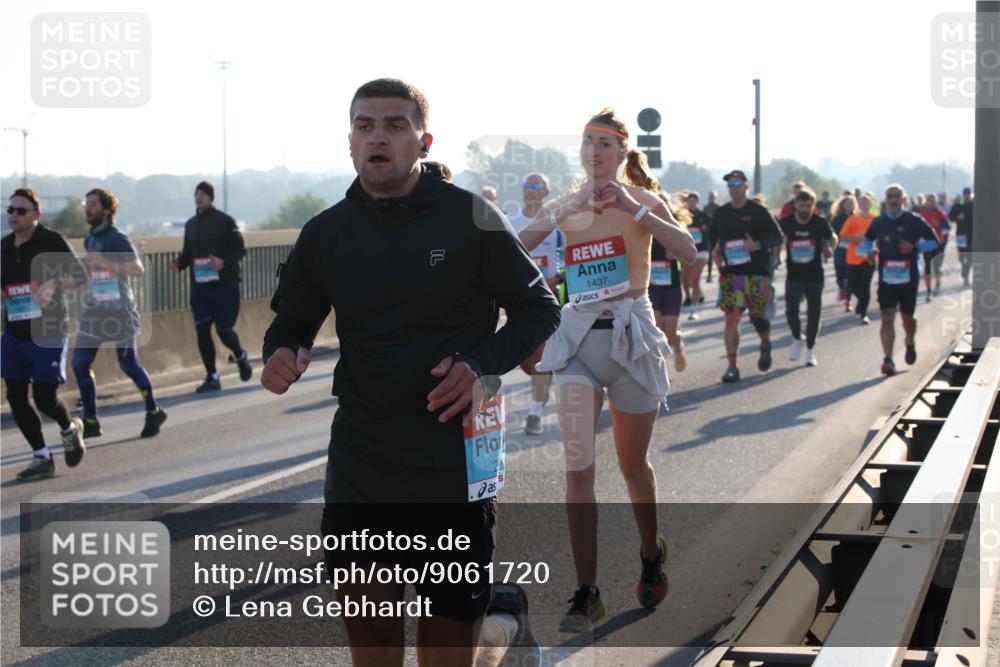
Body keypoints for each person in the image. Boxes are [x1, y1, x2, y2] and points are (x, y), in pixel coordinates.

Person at [261, 78, 560, 665]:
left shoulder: (470, 217)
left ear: (423, 141)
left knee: (445, 650)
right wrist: (283, 350)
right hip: (362, 459)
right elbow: (290, 324)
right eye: (364, 125)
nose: (378, 137)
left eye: (395, 126)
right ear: (349, 141)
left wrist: (481, 364)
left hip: (452, 460)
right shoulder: (325, 233)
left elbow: (539, 308)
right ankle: (497, 625)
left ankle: (501, 626)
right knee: (373, 645)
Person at [518, 108, 695, 633]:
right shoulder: (567, 204)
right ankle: (587, 591)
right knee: (578, 470)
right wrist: (565, 207)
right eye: (587, 142)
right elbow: (516, 247)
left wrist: (635, 211)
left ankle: (649, 552)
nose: (594, 152)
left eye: (604, 144)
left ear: (621, 153)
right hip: (576, 343)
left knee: (633, 467)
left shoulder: (644, 202)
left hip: (630, 342)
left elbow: (686, 250)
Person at [2, 188, 87, 480]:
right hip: (15, 331)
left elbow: (80, 275)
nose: (13, 215)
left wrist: (54, 285)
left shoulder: (51, 241)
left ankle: (70, 428)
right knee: (15, 395)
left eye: (20, 211)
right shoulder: (3, 247)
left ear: (36, 215)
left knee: (44, 396)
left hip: (48, 329)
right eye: (10, 210)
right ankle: (41, 456)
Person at [72, 189, 167, 439]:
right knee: (80, 363)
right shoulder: (89, 239)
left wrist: (104, 262)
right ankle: (90, 420)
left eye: (93, 204)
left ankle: (153, 410)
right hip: (95, 310)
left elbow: (137, 269)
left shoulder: (117, 238)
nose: (87, 208)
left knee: (128, 365)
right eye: (86, 204)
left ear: (106, 210)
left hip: (120, 312)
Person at [171, 181, 253, 392]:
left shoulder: (225, 221)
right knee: (202, 331)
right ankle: (212, 377)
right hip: (200, 288)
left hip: (225, 285)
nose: (199, 197)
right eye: (196, 193)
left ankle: (240, 355)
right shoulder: (190, 225)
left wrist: (223, 263)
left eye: (203, 194)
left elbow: (240, 250)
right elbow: (188, 253)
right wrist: (178, 264)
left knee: (224, 330)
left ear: (211, 198)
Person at [712, 170, 783, 383]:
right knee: (731, 319)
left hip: (756, 275)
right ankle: (732, 366)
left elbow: (778, 238)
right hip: (732, 276)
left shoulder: (758, 211)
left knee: (757, 319)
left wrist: (758, 245)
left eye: (737, 184)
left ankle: (765, 343)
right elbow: (715, 240)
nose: (734, 188)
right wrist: (716, 253)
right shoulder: (721, 213)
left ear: (746, 186)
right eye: (730, 185)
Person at [864, 184, 940, 376]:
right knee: (887, 316)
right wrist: (870, 250)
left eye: (897, 195)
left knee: (907, 318)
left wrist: (914, 248)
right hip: (887, 278)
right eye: (890, 196)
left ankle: (910, 341)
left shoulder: (914, 220)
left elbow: (934, 242)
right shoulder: (879, 222)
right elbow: (867, 239)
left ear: (903, 198)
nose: (893, 199)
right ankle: (888, 359)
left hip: (909, 278)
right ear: (886, 198)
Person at [508, 172, 562, 434]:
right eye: (526, 185)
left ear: (546, 192)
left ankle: (535, 411)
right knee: (529, 363)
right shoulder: (511, 221)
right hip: (520, 299)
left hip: (551, 299)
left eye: (535, 185)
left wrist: (557, 278)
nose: (529, 189)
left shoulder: (558, 224)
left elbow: (571, 257)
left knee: (542, 358)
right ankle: (543, 388)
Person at [778, 189, 837, 366]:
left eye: (808, 206)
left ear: (813, 206)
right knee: (791, 311)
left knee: (814, 314)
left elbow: (833, 237)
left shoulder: (819, 222)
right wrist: (776, 256)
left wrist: (830, 248)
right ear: (796, 205)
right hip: (794, 275)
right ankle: (797, 337)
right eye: (801, 205)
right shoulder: (787, 222)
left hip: (815, 275)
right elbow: (778, 239)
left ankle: (810, 350)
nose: (804, 209)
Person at [840, 194, 877, 324]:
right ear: (859, 206)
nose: (864, 205)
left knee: (865, 285)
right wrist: (855, 239)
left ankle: (863, 314)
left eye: (866, 202)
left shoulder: (875, 220)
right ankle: (861, 302)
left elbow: (881, 236)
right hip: (853, 257)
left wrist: (871, 242)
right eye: (861, 202)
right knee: (854, 285)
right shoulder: (852, 219)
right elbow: (842, 236)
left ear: (870, 205)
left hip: (869, 257)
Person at [682, 191, 712, 320]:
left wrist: (706, 229)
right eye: (689, 200)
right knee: (686, 279)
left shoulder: (703, 215)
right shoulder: (682, 216)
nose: (692, 203)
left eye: (694, 201)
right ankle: (694, 294)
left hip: (702, 250)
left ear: (697, 202)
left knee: (695, 278)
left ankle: (693, 309)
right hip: (687, 250)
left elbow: (713, 229)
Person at [918, 193, 949, 301]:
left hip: (939, 242)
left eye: (933, 201)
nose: (931, 203)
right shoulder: (921, 214)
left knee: (936, 267)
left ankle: (938, 283)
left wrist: (939, 224)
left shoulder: (940, 213)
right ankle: (928, 290)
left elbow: (947, 226)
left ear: (935, 202)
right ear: (926, 202)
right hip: (926, 243)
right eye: (929, 201)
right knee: (927, 267)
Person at [829, 194, 856, 311]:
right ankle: (841, 288)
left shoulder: (857, 218)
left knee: (849, 275)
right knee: (840, 273)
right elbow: (830, 234)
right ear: (842, 205)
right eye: (847, 203)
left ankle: (848, 301)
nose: (849, 206)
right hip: (839, 249)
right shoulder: (837, 219)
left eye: (851, 203)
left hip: (853, 250)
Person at [949, 187, 974, 286]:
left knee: (970, 254)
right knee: (961, 256)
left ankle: (966, 276)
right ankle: (964, 266)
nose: (967, 196)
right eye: (965, 194)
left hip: (972, 234)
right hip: (961, 234)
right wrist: (957, 217)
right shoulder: (958, 205)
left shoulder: (974, 204)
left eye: (968, 194)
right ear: (963, 195)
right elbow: (950, 216)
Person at [703, 190, 719, 282]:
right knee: (709, 254)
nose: (711, 198)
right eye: (710, 197)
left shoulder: (718, 208)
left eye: (713, 197)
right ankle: (709, 274)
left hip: (717, 234)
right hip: (708, 234)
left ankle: (721, 270)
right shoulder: (705, 208)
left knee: (717, 253)